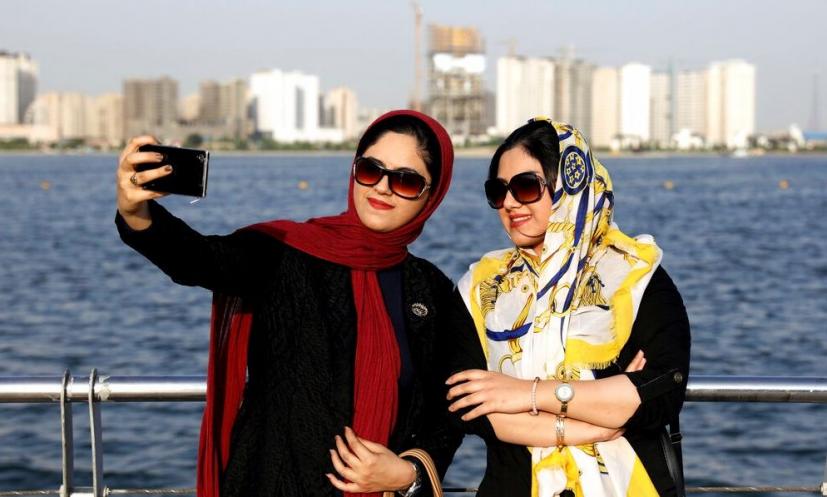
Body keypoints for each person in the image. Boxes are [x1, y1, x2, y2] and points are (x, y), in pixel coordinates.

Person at [115, 110, 461, 497]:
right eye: (370, 170)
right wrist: (136, 213)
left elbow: (447, 409)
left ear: (432, 195)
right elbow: (198, 259)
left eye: (406, 180)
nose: (382, 187)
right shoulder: (284, 252)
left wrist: (408, 474)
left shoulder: (431, 290)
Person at [443, 118, 691, 497]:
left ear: (570, 186)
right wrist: (598, 421)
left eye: (526, 187)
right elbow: (468, 406)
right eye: (498, 190)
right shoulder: (481, 286)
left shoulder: (634, 275)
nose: (509, 203)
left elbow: (660, 393)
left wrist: (526, 394)